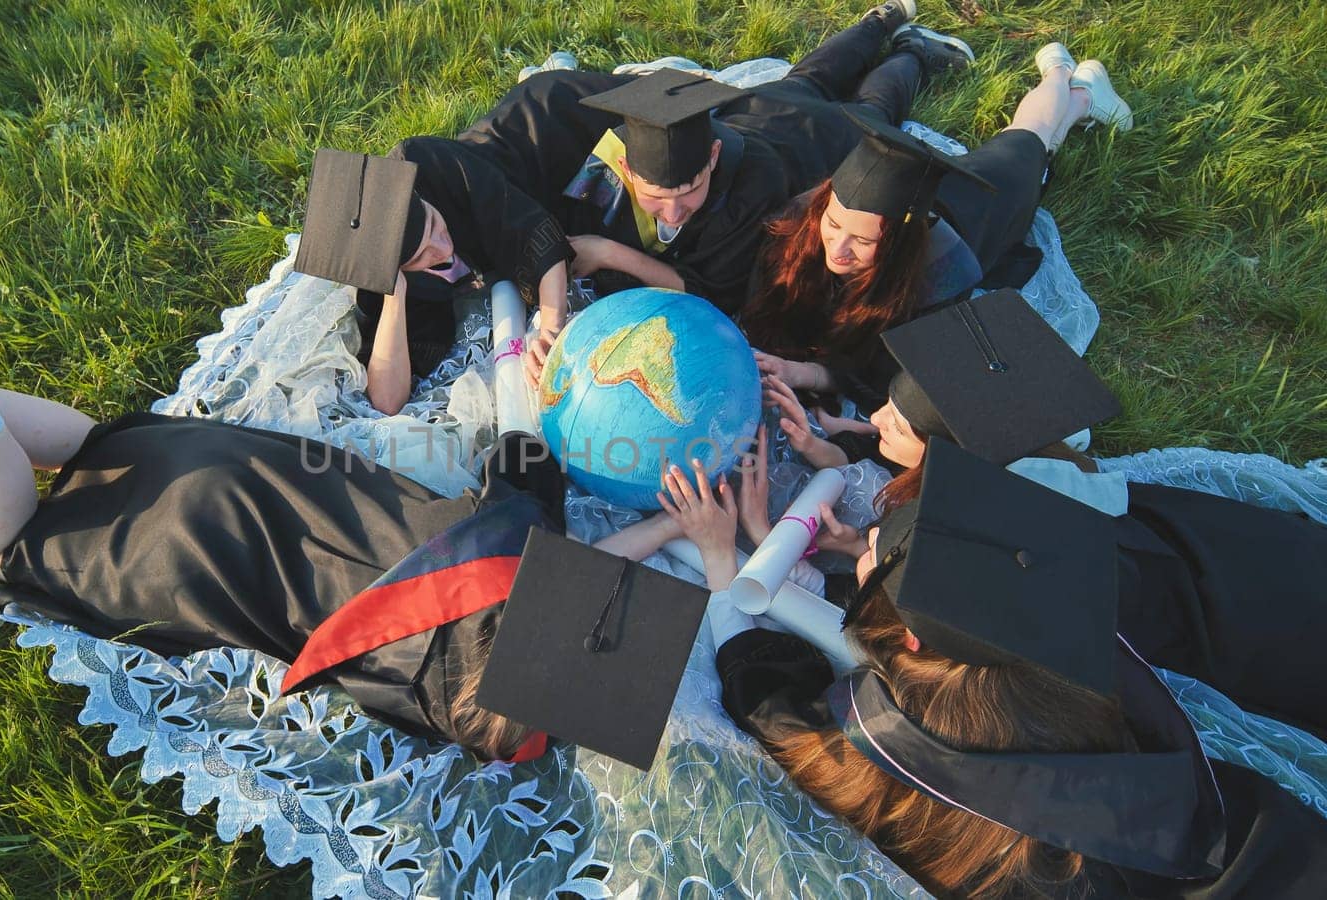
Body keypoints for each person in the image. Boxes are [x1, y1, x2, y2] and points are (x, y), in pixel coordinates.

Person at [0, 262, 572, 760]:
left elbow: (523, 463)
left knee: (99, 446)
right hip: (196, 549)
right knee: (5, 550)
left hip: (235, 467)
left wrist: (687, 531)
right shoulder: (437, 694)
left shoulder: (514, 534)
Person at [710, 440, 1327, 898]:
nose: (864, 554)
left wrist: (719, 557)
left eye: (871, 557)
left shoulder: (893, 763)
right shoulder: (1090, 698)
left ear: (913, 640)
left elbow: (766, 696)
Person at [777, 291, 1327, 737]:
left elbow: (926, 631)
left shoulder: (1009, 537)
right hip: (1215, 548)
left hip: (1192, 620)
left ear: (946, 453)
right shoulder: (1010, 463)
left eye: (896, 424)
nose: (874, 419)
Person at [457, 1, 977, 381]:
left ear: (711, 158)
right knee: (809, 76)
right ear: (629, 168)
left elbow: (710, 291)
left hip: (809, 142)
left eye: (689, 190)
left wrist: (613, 252)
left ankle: (909, 49)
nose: (674, 210)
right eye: (654, 195)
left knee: (872, 108)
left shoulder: (753, 195)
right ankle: (876, 20)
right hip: (759, 107)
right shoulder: (606, 168)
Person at [746, 43, 1133, 413]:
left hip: (982, 208)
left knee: (1028, 139)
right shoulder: (800, 220)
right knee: (1041, 152)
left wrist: (810, 374)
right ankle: (1081, 96)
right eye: (833, 223)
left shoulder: (940, 271)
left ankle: (1064, 75)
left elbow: (886, 372)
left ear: (898, 245)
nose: (838, 248)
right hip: (909, 194)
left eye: (863, 240)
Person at [294, 146, 571, 414]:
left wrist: (549, 332)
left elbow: (535, 237)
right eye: (422, 255)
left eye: (434, 224)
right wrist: (395, 295)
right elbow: (388, 401)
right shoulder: (381, 279)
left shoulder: (425, 166)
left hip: (537, 151)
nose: (443, 248)